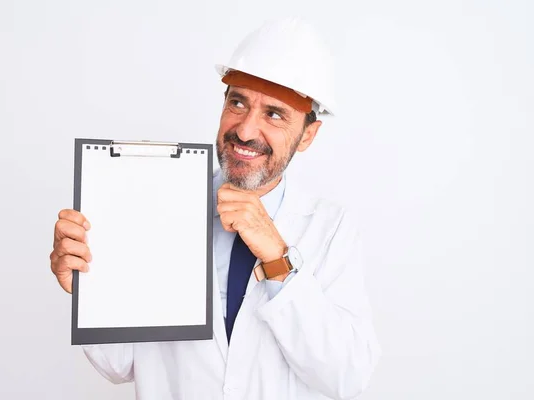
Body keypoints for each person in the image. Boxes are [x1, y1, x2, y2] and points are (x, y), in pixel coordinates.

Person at [50, 18, 380, 400]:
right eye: (237, 102)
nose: (245, 131)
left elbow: (347, 376)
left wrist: (277, 258)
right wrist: (91, 291)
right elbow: (121, 364)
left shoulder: (330, 228)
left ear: (308, 134)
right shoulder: (159, 204)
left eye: (274, 114)